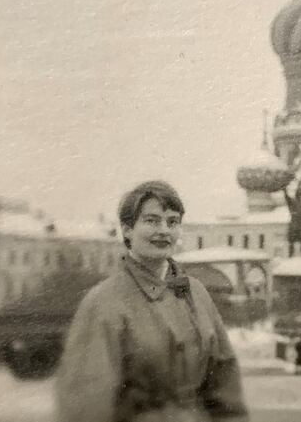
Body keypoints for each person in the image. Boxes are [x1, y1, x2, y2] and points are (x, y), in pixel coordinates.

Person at [55, 181, 248, 422]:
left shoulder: (195, 292)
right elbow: (86, 404)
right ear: (127, 230)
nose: (164, 230)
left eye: (172, 222)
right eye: (152, 221)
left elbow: (225, 382)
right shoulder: (103, 303)